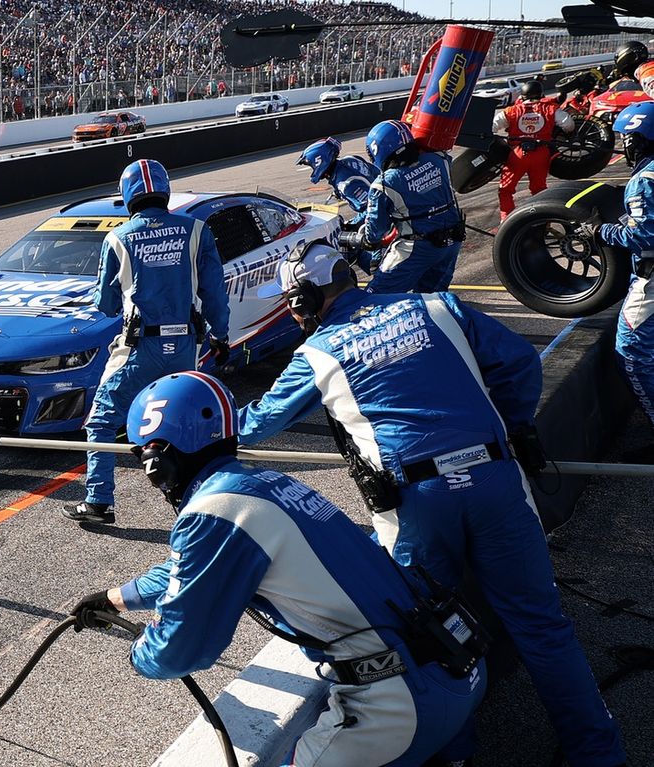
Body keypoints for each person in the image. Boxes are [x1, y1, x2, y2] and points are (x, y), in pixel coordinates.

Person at [235, 243, 627, 767]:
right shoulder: (440, 305)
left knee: (427, 636)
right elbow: (517, 363)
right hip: (494, 478)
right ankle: (599, 754)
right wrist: (512, 426)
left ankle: (455, 755)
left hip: (416, 503)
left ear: (305, 297)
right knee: (542, 626)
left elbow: (257, 423)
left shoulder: (319, 352)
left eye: (291, 300)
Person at [72, 371, 486, 766]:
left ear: (157, 459)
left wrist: (139, 651)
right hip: (454, 665)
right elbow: (195, 569)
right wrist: (115, 599)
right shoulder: (258, 485)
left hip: (398, 702)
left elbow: (180, 650)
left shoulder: (213, 511)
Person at [62, 159, 230, 524]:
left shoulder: (117, 238)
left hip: (139, 348)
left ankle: (98, 501)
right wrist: (221, 335)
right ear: (165, 191)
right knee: (186, 424)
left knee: (101, 421)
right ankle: (202, 503)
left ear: (127, 196)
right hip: (185, 345)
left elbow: (106, 305)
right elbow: (215, 291)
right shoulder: (196, 229)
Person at [580, 101, 654, 443]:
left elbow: (646, 236)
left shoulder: (644, 180)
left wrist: (601, 232)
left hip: (651, 280)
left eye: (628, 138)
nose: (625, 145)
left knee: (633, 354)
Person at [339, 120, 465, 293]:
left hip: (417, 249)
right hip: (453, 242)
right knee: (433, 297)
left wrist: (365, 240)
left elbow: (376, 231)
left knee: (375, 297)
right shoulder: (439, 158)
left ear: (378, 150)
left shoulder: (383, 184)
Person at [296, 136, 380, 272]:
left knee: (348, 243)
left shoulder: (346, 184)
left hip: (385, 220)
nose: (311, 168)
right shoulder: (350, 159)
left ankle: (378, 273)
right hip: (389, 201)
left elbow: (372, 210)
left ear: (319, 161)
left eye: (311, 165)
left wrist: (350, 225)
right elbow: (374, 173)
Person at [494, 80, 575, 221]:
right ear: (541, 94)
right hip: (541, 153)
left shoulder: (511, 110)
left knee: (505, 190)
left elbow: (493, 126)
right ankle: (542, 221)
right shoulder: (550, 108)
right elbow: (569, 124)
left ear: (523, 95)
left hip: (517, 154)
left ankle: (506, 220)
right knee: (539, 190)